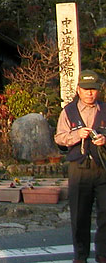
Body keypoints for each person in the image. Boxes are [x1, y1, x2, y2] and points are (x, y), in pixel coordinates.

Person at [55, 69, 106, 263]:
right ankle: (81, 255)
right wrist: (77, 135)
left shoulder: (105, 109)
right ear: (78, 89)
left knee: (105, 214)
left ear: (98, 90)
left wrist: (104, 139)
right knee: (79, 215)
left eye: (93, 89)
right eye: (85, 89)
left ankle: (103, 253)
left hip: (102, 168)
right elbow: (59, 138)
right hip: (79, 168)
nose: (90, 93)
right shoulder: (68, 111)